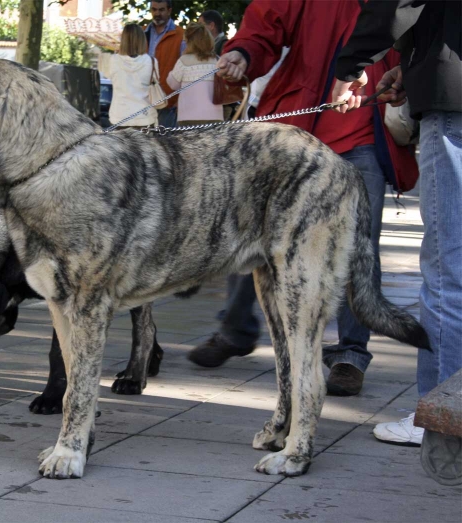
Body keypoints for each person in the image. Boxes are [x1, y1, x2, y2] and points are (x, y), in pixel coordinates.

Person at [187, 0, 419, 399]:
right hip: (298, 121)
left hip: (364, 122)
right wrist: (243, 52)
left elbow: (411, 29)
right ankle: (236, 328)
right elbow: (266, 23)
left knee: (357, 244)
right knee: (253, 232)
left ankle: (350, 353)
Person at [332, 0, 461, 445]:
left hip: (455, 99)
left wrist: (349, 66)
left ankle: (439, 418)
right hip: (443, 73)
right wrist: (412, 66)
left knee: (447, 270)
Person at [98, 24, 159, 129]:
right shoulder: (151, 61)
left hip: (119, 117)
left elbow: (104, 70)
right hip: (145, 117)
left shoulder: (112, 60)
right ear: (142, 40)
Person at [166, 23, 223, 126]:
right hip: (214, 115)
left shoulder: (184, 61)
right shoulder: (217, 60)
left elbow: (173, 85)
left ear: (189, 42)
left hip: (188, 116)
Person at [144, 0, 185, 128]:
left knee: (166, 145)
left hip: (168, 103)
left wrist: (180, 101)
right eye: (154, 9)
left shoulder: (181, 36)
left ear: (169, 10)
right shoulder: (142, 33)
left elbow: (186, 70)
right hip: (142, 102)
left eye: (161, 10)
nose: (157, 13)